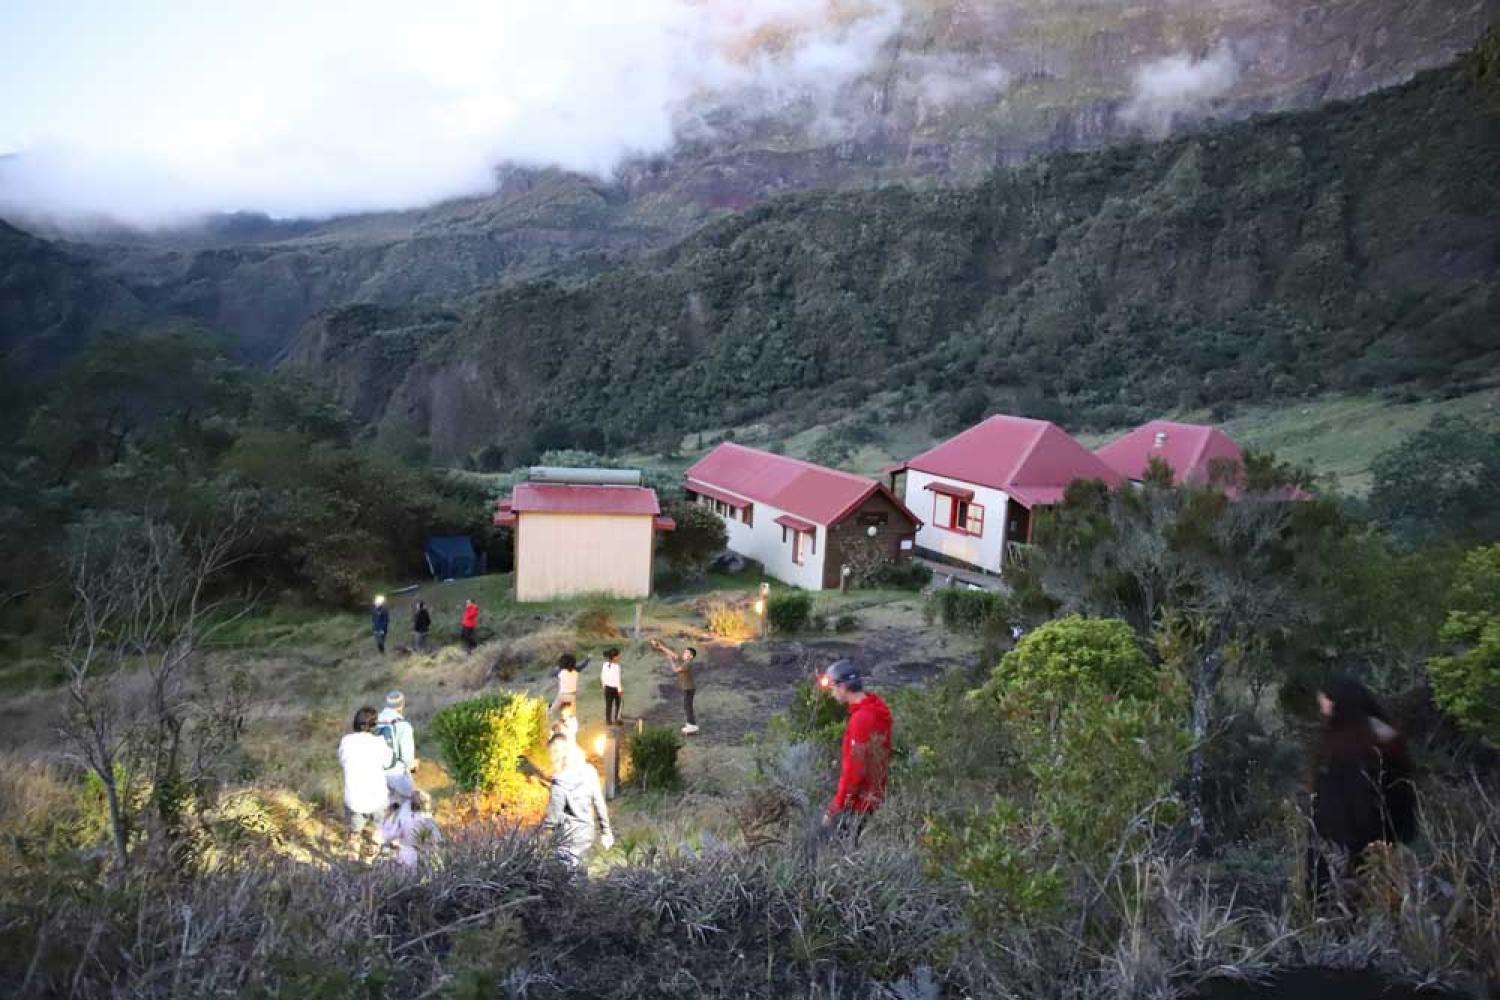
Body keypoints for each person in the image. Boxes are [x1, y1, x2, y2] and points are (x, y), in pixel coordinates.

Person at [1307, 674, 1418, 897]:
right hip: (1364, 842)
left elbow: (1390, 793)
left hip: (1353, 841)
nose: (1322, 704)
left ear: (1340, 702)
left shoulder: (1360, 744)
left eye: (1326, 699)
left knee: (1351, 897)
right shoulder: (1363, 736)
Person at [819, 659, 892, 846]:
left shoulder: (862, 719)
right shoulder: (874, 709)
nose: (832, 693)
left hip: (857, 804)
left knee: (837, 849)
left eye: (833, 687)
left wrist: (834, 808)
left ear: (843, 687)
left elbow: (855, 771)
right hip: (870, 797)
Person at [543, 734, 614, 867]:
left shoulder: (559, 782)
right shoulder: (590, 772)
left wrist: (544, 844)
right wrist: (606, 831)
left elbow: (552, 820)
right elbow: (599, 803)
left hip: (566, 838)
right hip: (587, 835)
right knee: (582, 873)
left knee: (566, 879)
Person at [338, 706, 391, 859]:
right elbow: (388, 763)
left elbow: (343, 761)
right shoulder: (379, 743)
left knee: (354, 833)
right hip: (377, 797)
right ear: (374, 725)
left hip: (354, 798)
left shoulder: (346, 741)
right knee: (379, 828)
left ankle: (352, 862)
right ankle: (368, 861)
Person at [380, 789, 442, 867]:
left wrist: (387, 817)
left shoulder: (406, 820)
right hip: (428, 856)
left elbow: (389, 835)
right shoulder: (430, 820)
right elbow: (437, 839)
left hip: (408, 856)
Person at [376, 689, 419, 798]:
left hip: (375, 777)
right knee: (415, 805)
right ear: (402, 705)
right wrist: (414, 765)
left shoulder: (374, 723)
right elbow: (407, 759)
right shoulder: (404, 725)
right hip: (397, 777)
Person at [650, 638, 699, 735]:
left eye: (686, 653)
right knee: (687, 706)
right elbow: (674, 655)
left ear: (691, 656)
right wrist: (661, 647)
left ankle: (691, 725)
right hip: (688, 688)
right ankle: (691, 724)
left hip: (689, 689)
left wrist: (670, 661)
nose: (684, 654)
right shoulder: (685, 661)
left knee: (687, 706)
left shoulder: (687, 664)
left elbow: (676, 670)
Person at [600, 646, 623, 725]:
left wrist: (604, 686)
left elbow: (602, 676)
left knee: (608, 704)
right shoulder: (617, 667)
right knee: (618, 703)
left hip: (607, 688)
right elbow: (617, 679)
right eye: (618, 656)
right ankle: (617, 718)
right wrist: (620, 690)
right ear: (614, 657)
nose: (619, 657)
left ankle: (608, 720)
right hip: (615, 688)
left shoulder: (605, 664)